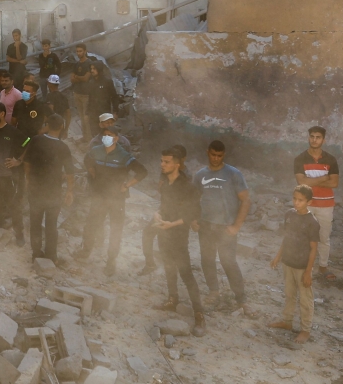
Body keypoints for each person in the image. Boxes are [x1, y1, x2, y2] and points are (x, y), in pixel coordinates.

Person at [193, 140, 254, 315]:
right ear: (208, 152)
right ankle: (214, 291)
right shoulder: (200, 175)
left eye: (219, 155)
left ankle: (241, 299)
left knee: (228, 262)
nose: (216, 158)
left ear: (224, 155)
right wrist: (194, 219)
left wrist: (236, 226)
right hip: (206, 226)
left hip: (226, 228)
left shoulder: (233, 174)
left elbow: (245, 200)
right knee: (207, 259)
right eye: (213, 154)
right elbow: (193, 199)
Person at [151, 148, 206, 336]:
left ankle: (199, 314)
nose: (162, 165)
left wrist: (171, 224)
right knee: (168, 267)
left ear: (177, 164)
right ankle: (172, 300)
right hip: (163, 232)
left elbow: (194, 213)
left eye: (166, 162)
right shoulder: (166, 184)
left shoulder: (188, 186)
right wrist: (157, 213)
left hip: (178, 235)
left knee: (186, 273)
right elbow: (164, 205)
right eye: (161, 161)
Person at [81, 126, 148, 276]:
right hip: (99, 197)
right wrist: (92, 172)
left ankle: (111, 261)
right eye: (104, 135)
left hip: (117, 200)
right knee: (92, 224)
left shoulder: (124, 155)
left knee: (115, 230)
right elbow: (87, 160)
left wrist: (127, 185)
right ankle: (85, 251)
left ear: (117, 138)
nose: (107, 137)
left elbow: (142, 171)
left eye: (110, 135)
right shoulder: (96, 150)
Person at [269, 185, 320, 344]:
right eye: (295, 199)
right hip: (288, 262)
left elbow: (313, 248)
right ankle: (287, 321)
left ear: (309, 201)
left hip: (302, 266)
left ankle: (305, 329)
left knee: (305, 299)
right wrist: (278, 256)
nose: (297, 203)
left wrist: (308, 272)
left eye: (301, 200)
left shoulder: (312, 222)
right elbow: (287, 237)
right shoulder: (289, 215)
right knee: (289, 294)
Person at [24, 114, 75, 261]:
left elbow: (27, 162)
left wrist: (28, 179)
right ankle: (51, 256)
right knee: (51, 225)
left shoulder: (35, 140)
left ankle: (36, 253)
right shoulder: (64, 147)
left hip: (35, 189)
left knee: (35, 222)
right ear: (61, 127)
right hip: (54, 192)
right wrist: (70, 191)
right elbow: (70, 172)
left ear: (47, 125)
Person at [293, 126, 339, 281]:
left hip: (326, 205)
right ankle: (303, 267)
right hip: (307, 204)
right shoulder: (300, 159)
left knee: (324, 238)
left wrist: (311, 182)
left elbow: (335, 183)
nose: (314, 139)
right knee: (303, 237)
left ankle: (323, 267)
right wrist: (324, 178)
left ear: (323, 140)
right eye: (312, 136)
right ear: (308, 138)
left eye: (318, 137)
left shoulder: (331, 159)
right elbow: (301, 182)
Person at [0, 102, 29, 242]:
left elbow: (28, 142)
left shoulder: (12, 131)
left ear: (2, 114)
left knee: (13, 206)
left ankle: (19, 234)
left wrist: (19, 161)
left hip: (8, 176)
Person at [69, 44, 98, 141]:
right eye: (77, 51)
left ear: (85, 51)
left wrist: (77, 77)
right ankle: (85, 137)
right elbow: (71, 79)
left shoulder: (89, 63)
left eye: (80, 51)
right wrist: (78, 78)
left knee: (86, 118)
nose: (78, 53)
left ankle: (90, 138)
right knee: (81, 117)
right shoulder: (76, 64)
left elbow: (86, 78)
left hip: (86, 94)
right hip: (77, 93)